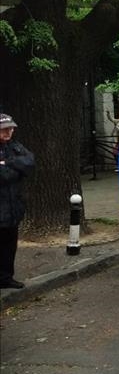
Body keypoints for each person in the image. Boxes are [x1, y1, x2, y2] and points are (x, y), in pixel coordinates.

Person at [0, 114, 35, 289]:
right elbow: (5, 176)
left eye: (11, 129)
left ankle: (6, 278)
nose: (8, 132)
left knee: (9, 245)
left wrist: (7, 162)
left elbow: (30, 162)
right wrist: (16, 168)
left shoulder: (15, 146)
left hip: (13, 207)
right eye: (4, 129)